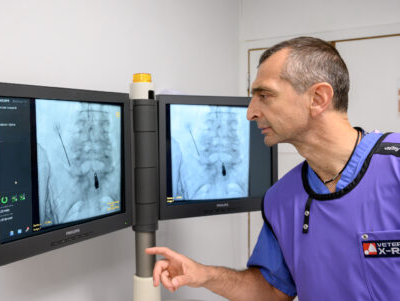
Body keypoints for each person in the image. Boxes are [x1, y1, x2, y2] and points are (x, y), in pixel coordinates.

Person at [146, 37, 400, 300]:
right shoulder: (282, 198)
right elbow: (272, 290)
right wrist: (204, 274)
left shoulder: (395, 166)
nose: (251, 112)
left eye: (264, 95)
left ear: (318, 98)